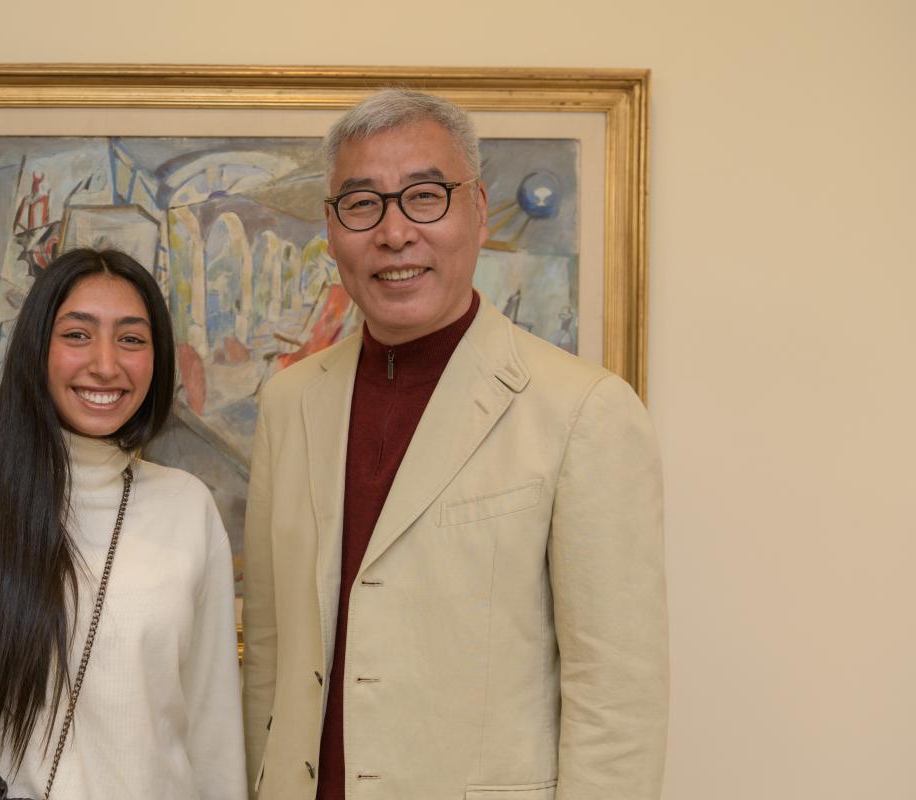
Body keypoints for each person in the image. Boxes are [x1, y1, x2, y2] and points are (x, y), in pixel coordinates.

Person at [240, 90, 668, 800]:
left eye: (425, 196)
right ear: (332, 226)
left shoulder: (584, 411)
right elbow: (271, 662)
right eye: (362, 203)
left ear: (477, 206)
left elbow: (617, 703)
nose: (394, 232)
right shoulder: (288, 403)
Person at [0, 248, 246, 799]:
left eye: (131, 339)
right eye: (77, 334)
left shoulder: (188, 508)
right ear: (37, 348)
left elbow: (212, 736)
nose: (105, 364)